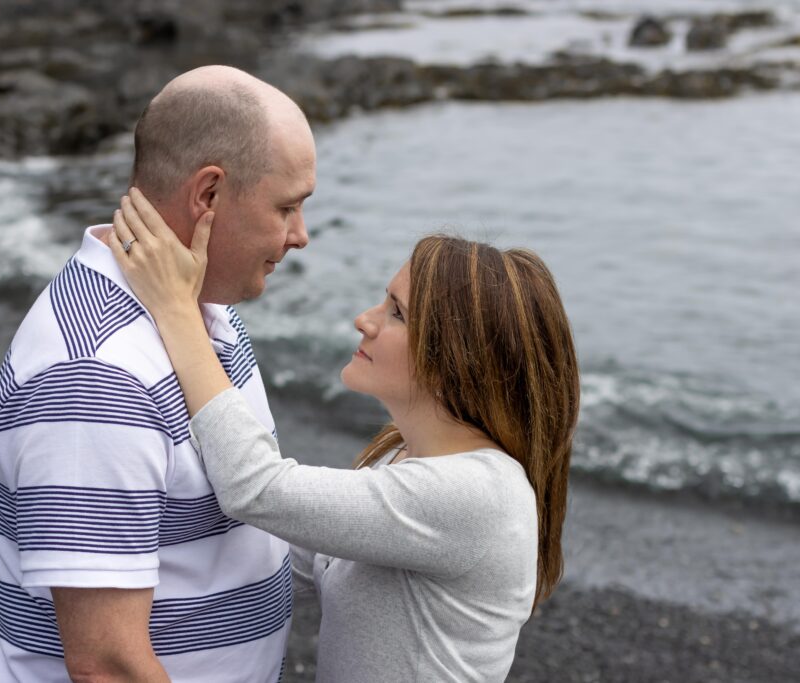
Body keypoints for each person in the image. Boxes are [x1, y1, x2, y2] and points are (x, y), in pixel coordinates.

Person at [108, 189, 580, 682]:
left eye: (396, 313)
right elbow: (289, 545)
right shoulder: (401, 456)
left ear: (457, 360)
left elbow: (257, 488)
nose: (365, 320)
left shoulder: (475, 495)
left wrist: (178, 310)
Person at [0, 66, 316, 682]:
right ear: (208, 195)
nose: (301, 236)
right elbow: (108, 665)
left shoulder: (202, 312)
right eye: (287, 207)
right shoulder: (93, 376)